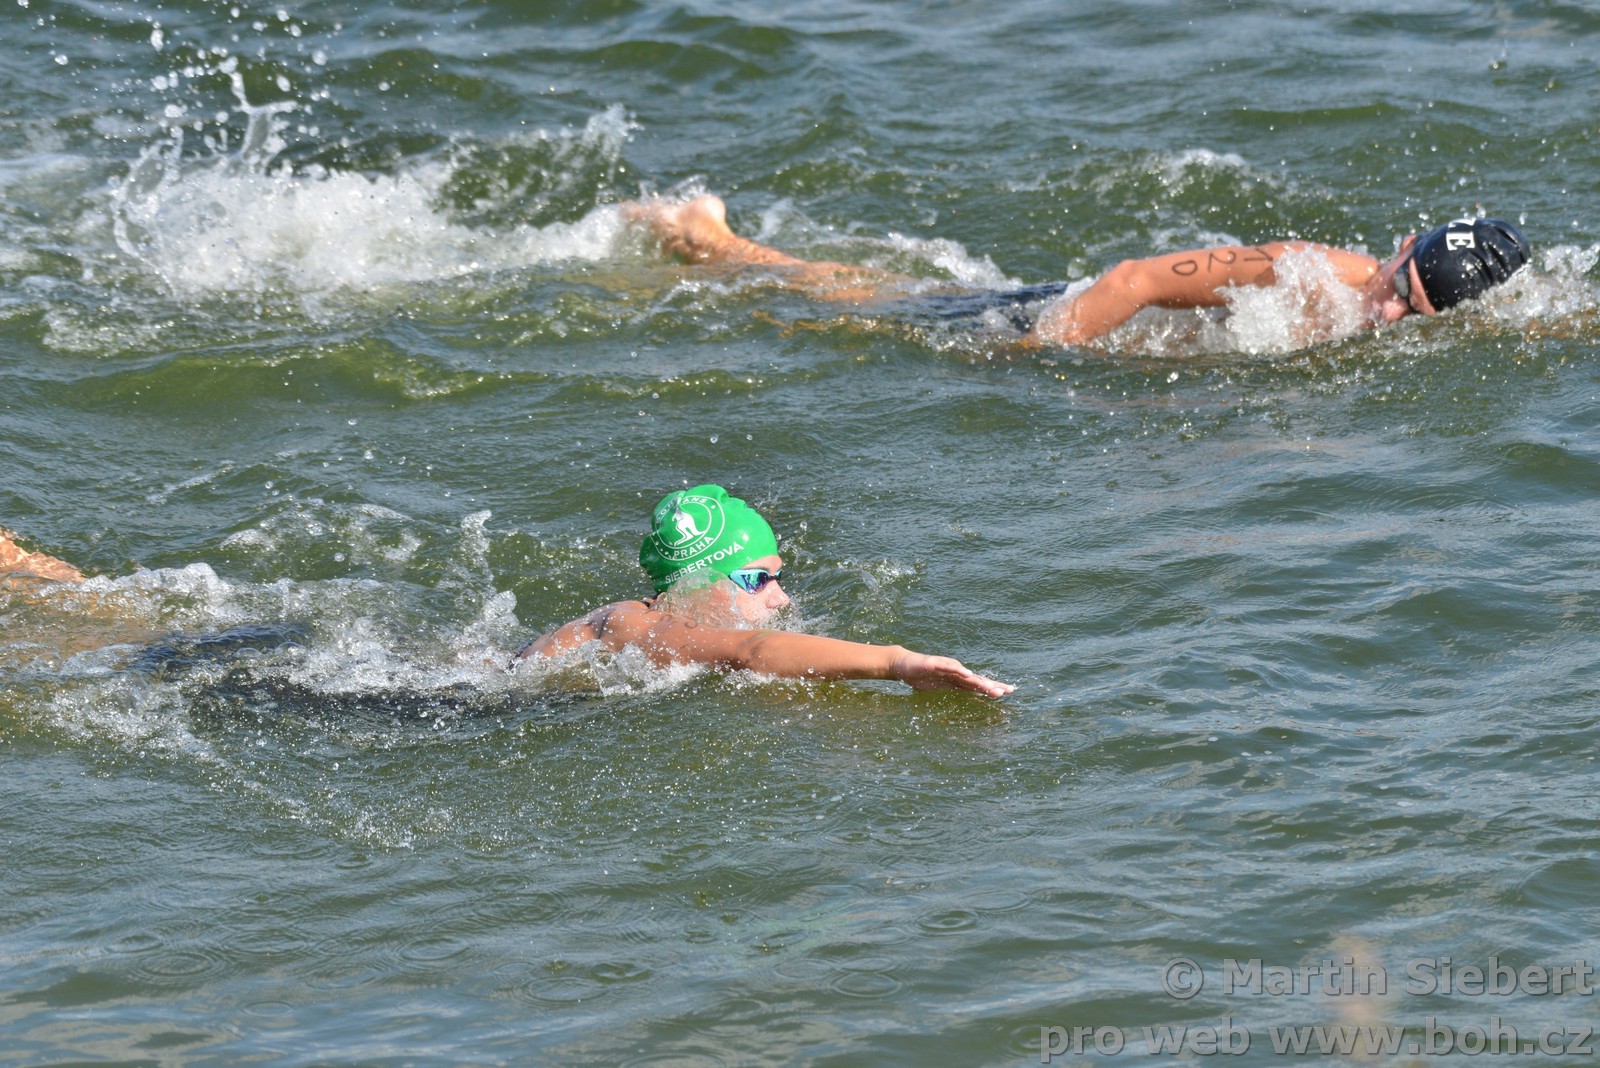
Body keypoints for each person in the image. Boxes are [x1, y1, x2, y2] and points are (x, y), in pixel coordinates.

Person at [629, 194, 1532, 349]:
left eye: (1416, 316)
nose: (1388, 314)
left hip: (1109, 345)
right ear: (1400, 247)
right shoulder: (1304, 272)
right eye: (1396, 290)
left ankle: (721, 250)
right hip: (1061, 321)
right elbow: (1134, 280)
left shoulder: (1382, 305)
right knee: (870, 310)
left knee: (903, 296)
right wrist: (1045, 351)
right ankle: (714, 245)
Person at [515, 484, 1014, 698]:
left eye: (776, 577)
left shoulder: (659, 633)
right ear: (694, 580)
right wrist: (897, 663)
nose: (781, 599)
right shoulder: (629, 623)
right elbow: (752, 652)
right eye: (756, 579)